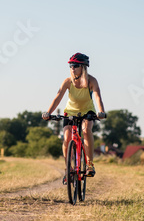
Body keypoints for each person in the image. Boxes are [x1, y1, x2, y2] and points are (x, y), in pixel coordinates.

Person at [42, 53, 106, 183]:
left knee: (86, 130)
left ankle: (89, 164)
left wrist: (101, 111)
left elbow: (98, 97)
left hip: (87, 112)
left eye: (75, 66)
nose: (72, 68)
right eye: (71, 66)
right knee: (66, 138)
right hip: (70, 112)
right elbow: (58, 97)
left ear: (83, 67)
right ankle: (68, 169)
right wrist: (48, 112)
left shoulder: (91, 81)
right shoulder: (67, 81)